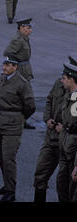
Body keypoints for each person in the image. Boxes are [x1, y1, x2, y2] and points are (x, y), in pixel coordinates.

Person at [0, 57, 36, 202]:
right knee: (0, 157)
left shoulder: (22, 84)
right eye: (4, 64)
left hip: (12, 125)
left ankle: (11, 192)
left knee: (8, 158)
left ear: (15, 67)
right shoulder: (2, 79)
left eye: (7, 65)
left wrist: (19, 118)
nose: (4, 67)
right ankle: (6, 185)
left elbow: (30, 106)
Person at [33, 77, 65, 202]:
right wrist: (47, 118)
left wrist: (65, 129)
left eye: (65, 77)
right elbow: (49, 100)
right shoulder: (58, 83)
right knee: (40, 175)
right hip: (51, 139)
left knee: (64, 185)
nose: (62, 79)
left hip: (68, 145)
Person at [3, 18, 35, 129]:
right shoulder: (18, 39)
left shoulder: (24, 38)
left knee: (23, 96)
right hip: (20, 70)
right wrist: (15, 65)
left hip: (25, 69)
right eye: (28, 28)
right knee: (22, 96)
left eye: (30, 28)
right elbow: (7, 53)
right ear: (21, 28)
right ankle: (17, 120)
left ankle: (21, 120)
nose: (30, 30)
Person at [56, 56, 77, 202]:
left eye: (64, 78)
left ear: (72, 79)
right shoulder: (69, 96)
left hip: (73, 154)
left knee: (71, 192)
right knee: (61, 186)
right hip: (65, 148)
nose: (61, 81)